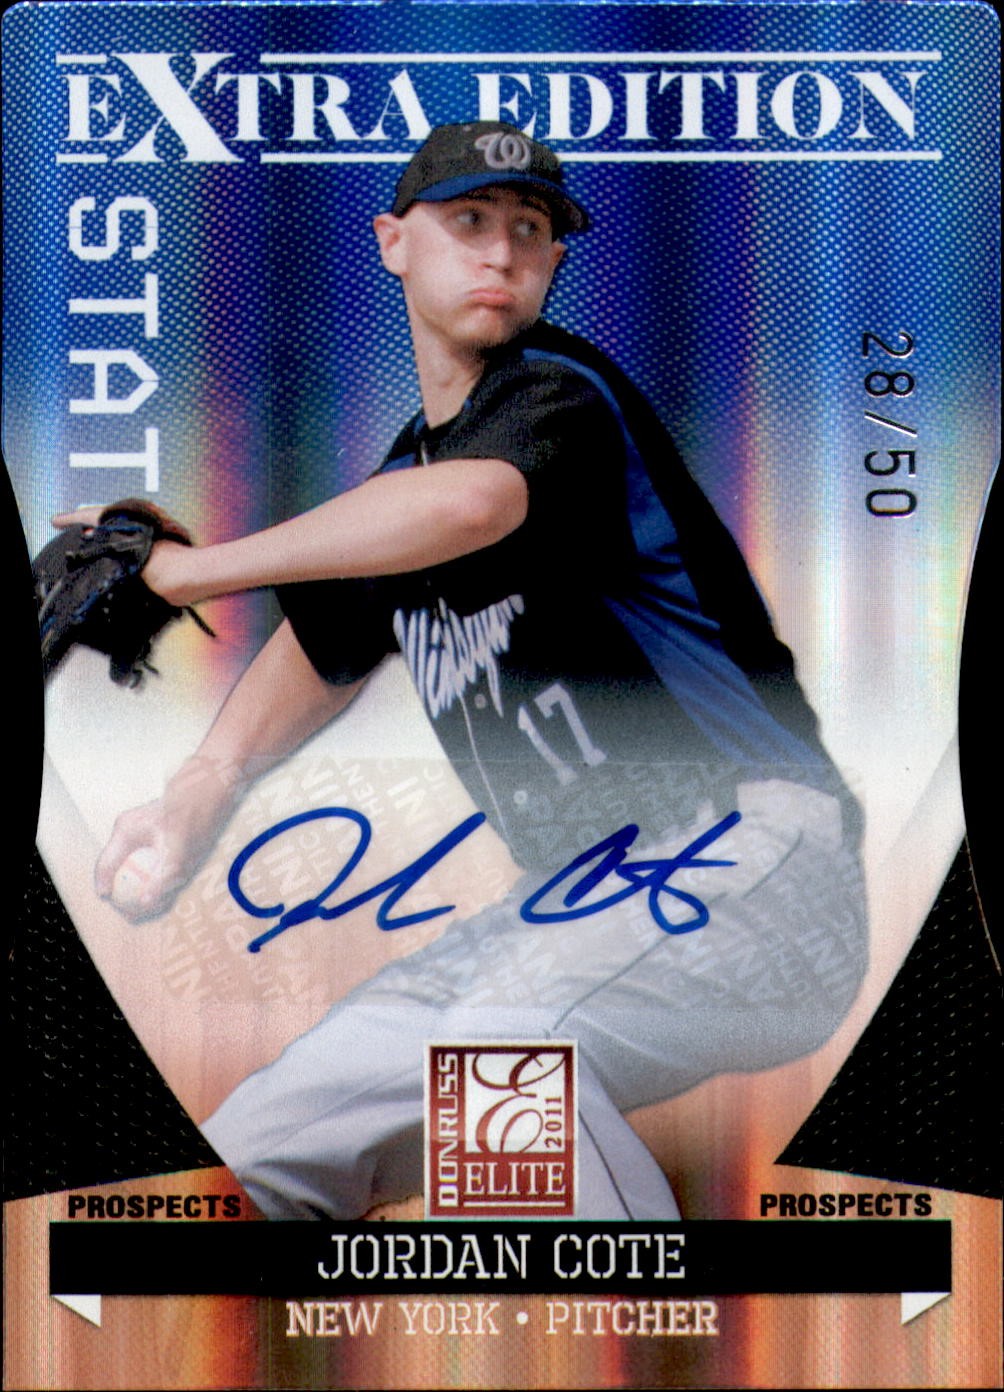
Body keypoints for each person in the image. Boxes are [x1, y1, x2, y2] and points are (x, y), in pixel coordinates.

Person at [63, 121, 868, 1220]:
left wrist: (188, 573)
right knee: (273, 1134)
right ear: (393, 242)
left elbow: (473, 504)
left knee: (501, 1048)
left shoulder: (561, 397)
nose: (500, 251)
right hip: (582, 907)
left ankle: (625, 1313)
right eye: (469, 220)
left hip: (756, 865)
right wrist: (204, 784)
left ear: (554, 263)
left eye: (529, 230)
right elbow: (325, 640)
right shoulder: (405, 480)